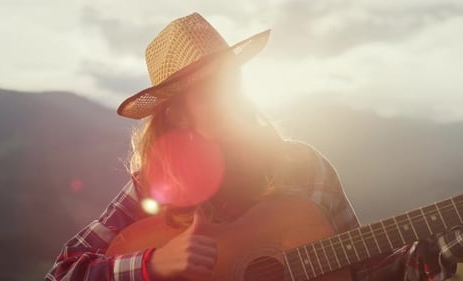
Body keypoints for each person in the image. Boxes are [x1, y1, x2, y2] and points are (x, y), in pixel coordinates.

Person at [44, 12, 463, 281]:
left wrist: (446, 246)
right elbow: (62, 274)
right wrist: (155, 265)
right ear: (179, 115)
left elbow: (366, 271)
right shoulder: (150, 190)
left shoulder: (306, 168)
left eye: (233, 81)